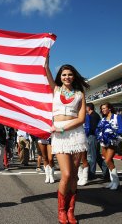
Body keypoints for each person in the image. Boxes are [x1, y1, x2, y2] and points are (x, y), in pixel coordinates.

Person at [45, 59, 89, 224]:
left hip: (75, 134)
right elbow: (45, 68)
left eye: (70, 74)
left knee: (74, 176)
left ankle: (71, 211)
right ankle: (61, 211)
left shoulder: (79, 94)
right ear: (60, 76)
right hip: (59, 135)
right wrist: (46, 53)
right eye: (64, 74)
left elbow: (82, 118)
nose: (67, 77)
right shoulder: (55, 89)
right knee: (67, 174)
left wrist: (63, 128)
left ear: (74, 76)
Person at [96, 102, 122, 191]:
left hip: (113, 141)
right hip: (103, 142)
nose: (103, 110)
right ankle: (113, 181)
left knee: (107, 160)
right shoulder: (102, 119)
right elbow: (98, 129)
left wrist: (113, 133)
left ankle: (116, 181)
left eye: (105, 108)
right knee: (108, 161)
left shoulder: (117, 117)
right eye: (102, 108)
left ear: (109, 108)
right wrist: (99, 134)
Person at [84, 103, 108, 180]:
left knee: (91, 156)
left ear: (89, 108)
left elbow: (93, 128)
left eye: (85, 108)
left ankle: (91, 174)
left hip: (92, 136)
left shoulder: (93, 116)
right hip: (93, 137)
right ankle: (107, 173)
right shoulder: (94, 115)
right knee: (97, 157)